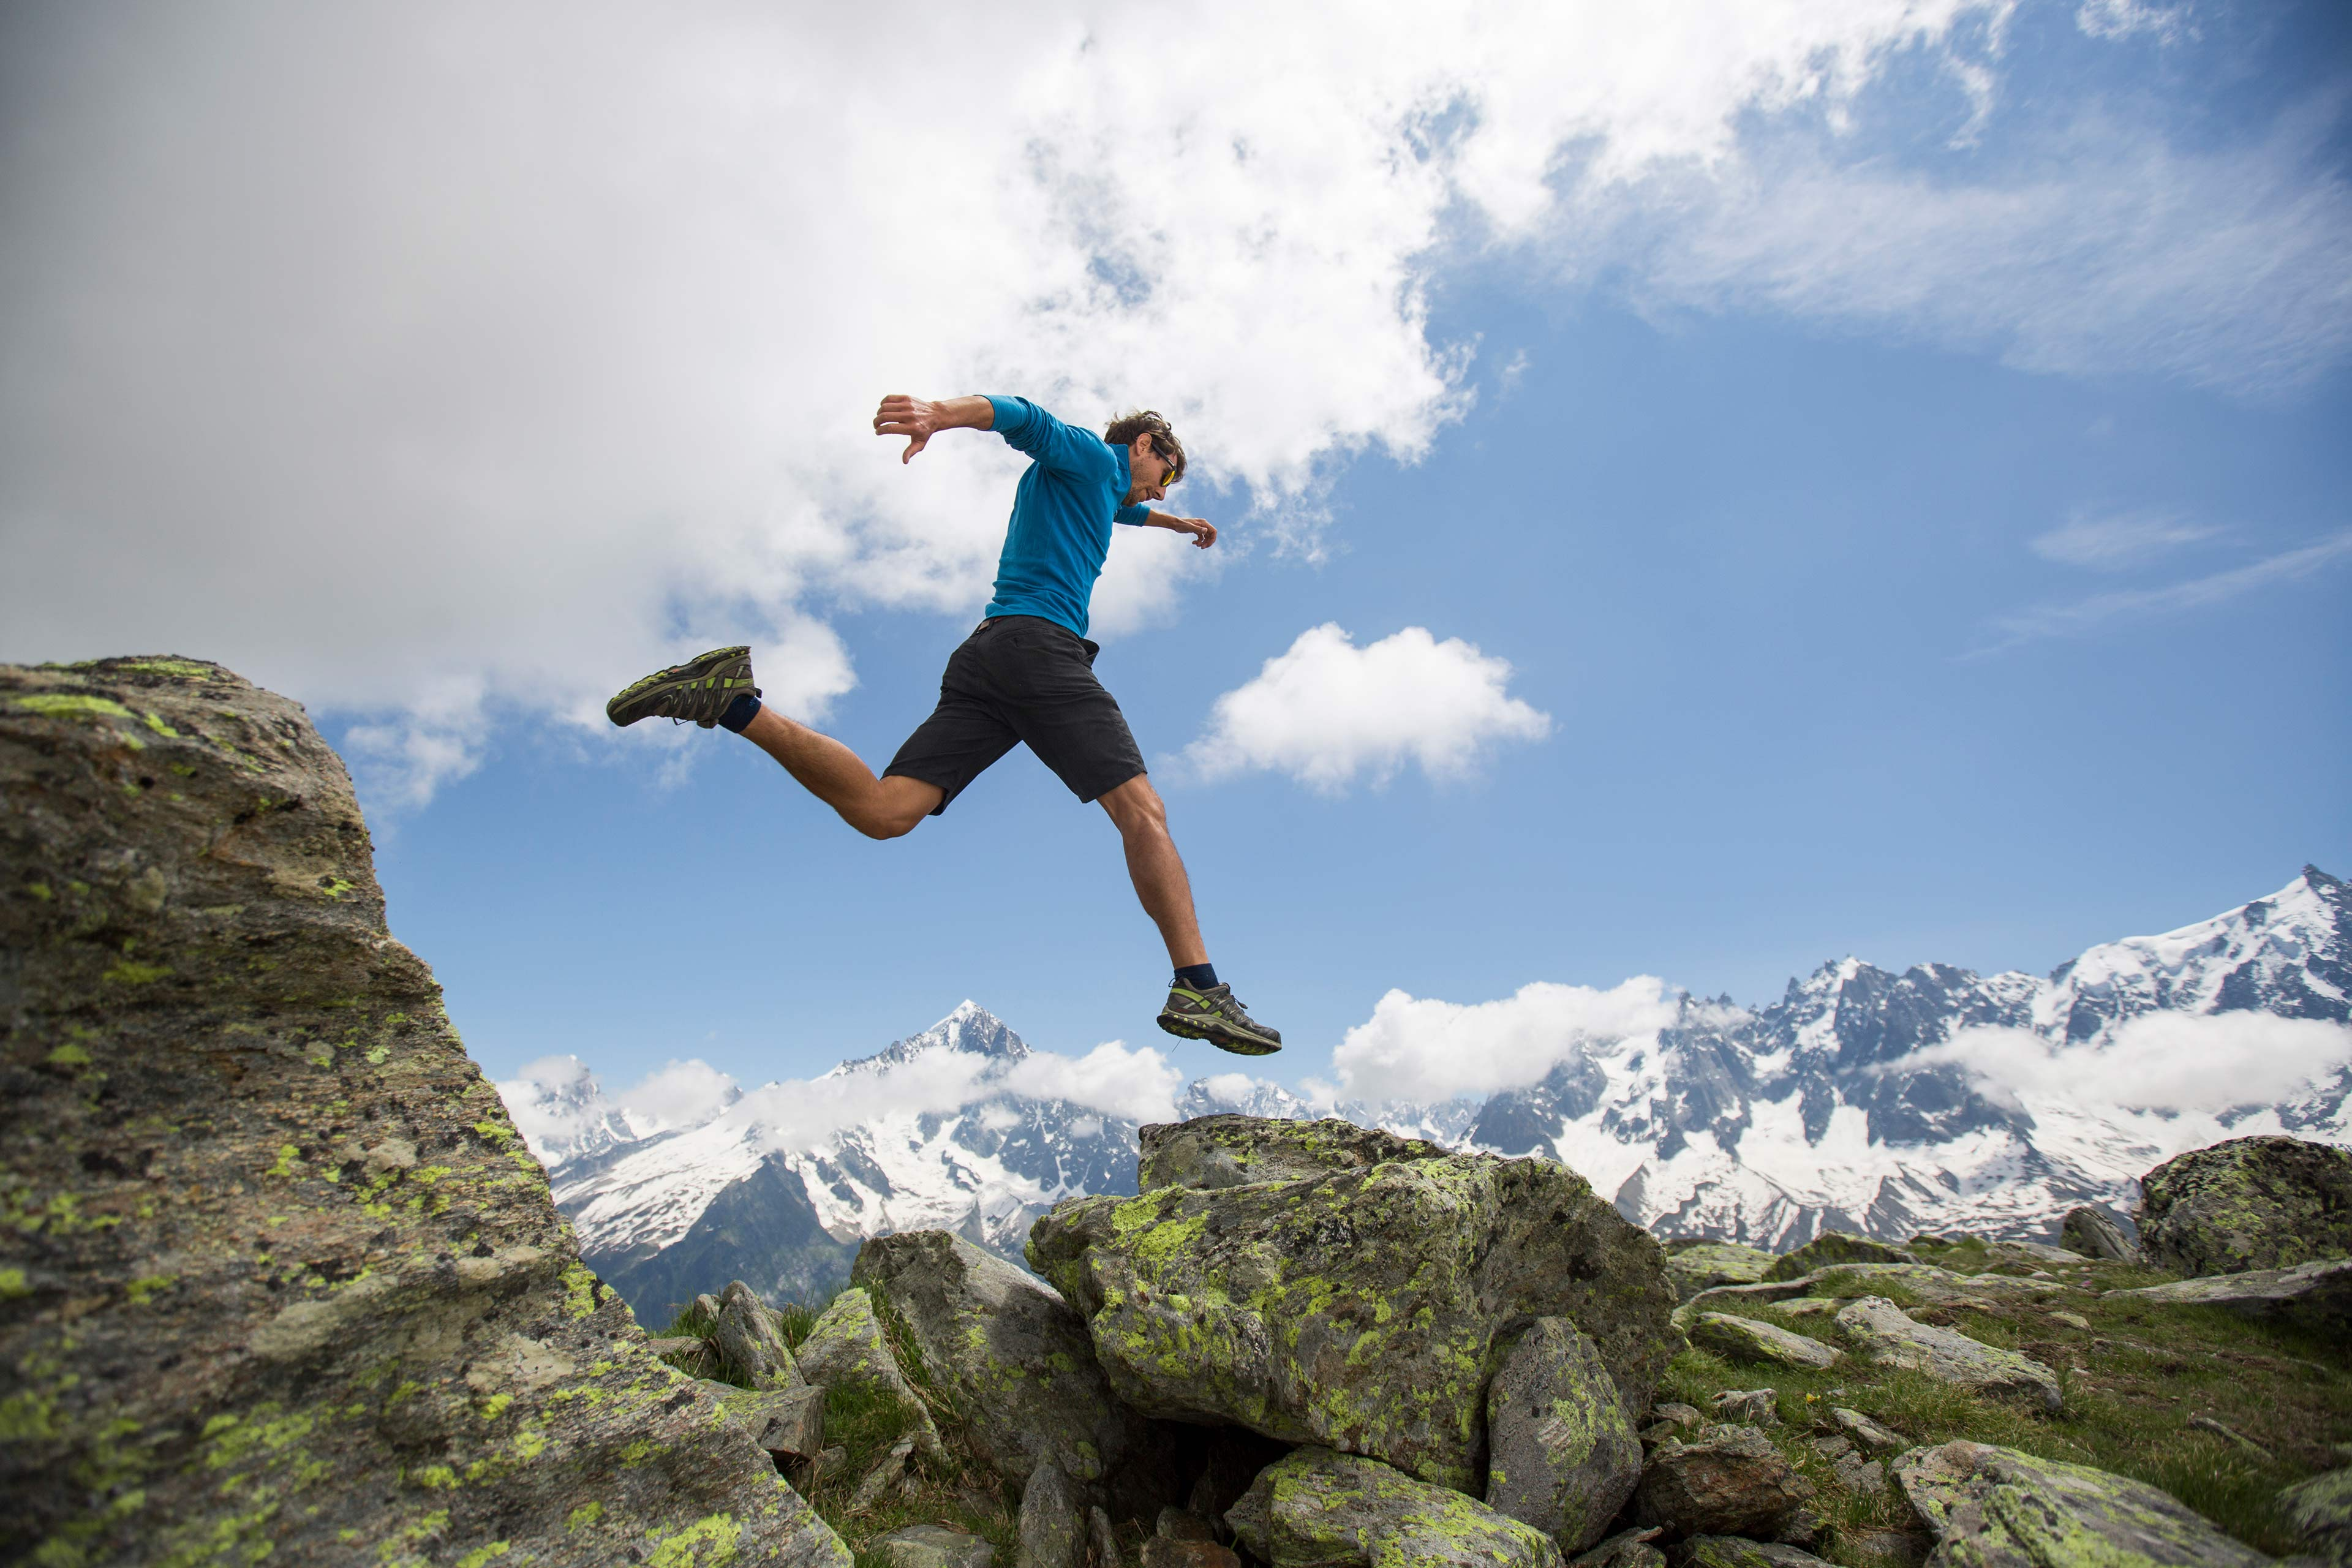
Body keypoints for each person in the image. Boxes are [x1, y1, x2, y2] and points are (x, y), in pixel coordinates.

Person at [605, 393, 1281, 1056]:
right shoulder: (1091, 456)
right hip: (1040, 648)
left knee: (884, 810)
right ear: (1143, 447)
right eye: (1165, 476)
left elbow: (1126, 514)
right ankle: (1198, 985)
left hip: (987, 659)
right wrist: (938, 414)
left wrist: (1176, 522)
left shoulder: (1098, 489)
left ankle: (731, 701)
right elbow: (1021, 415)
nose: (1161, 490)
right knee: (1144, 811)